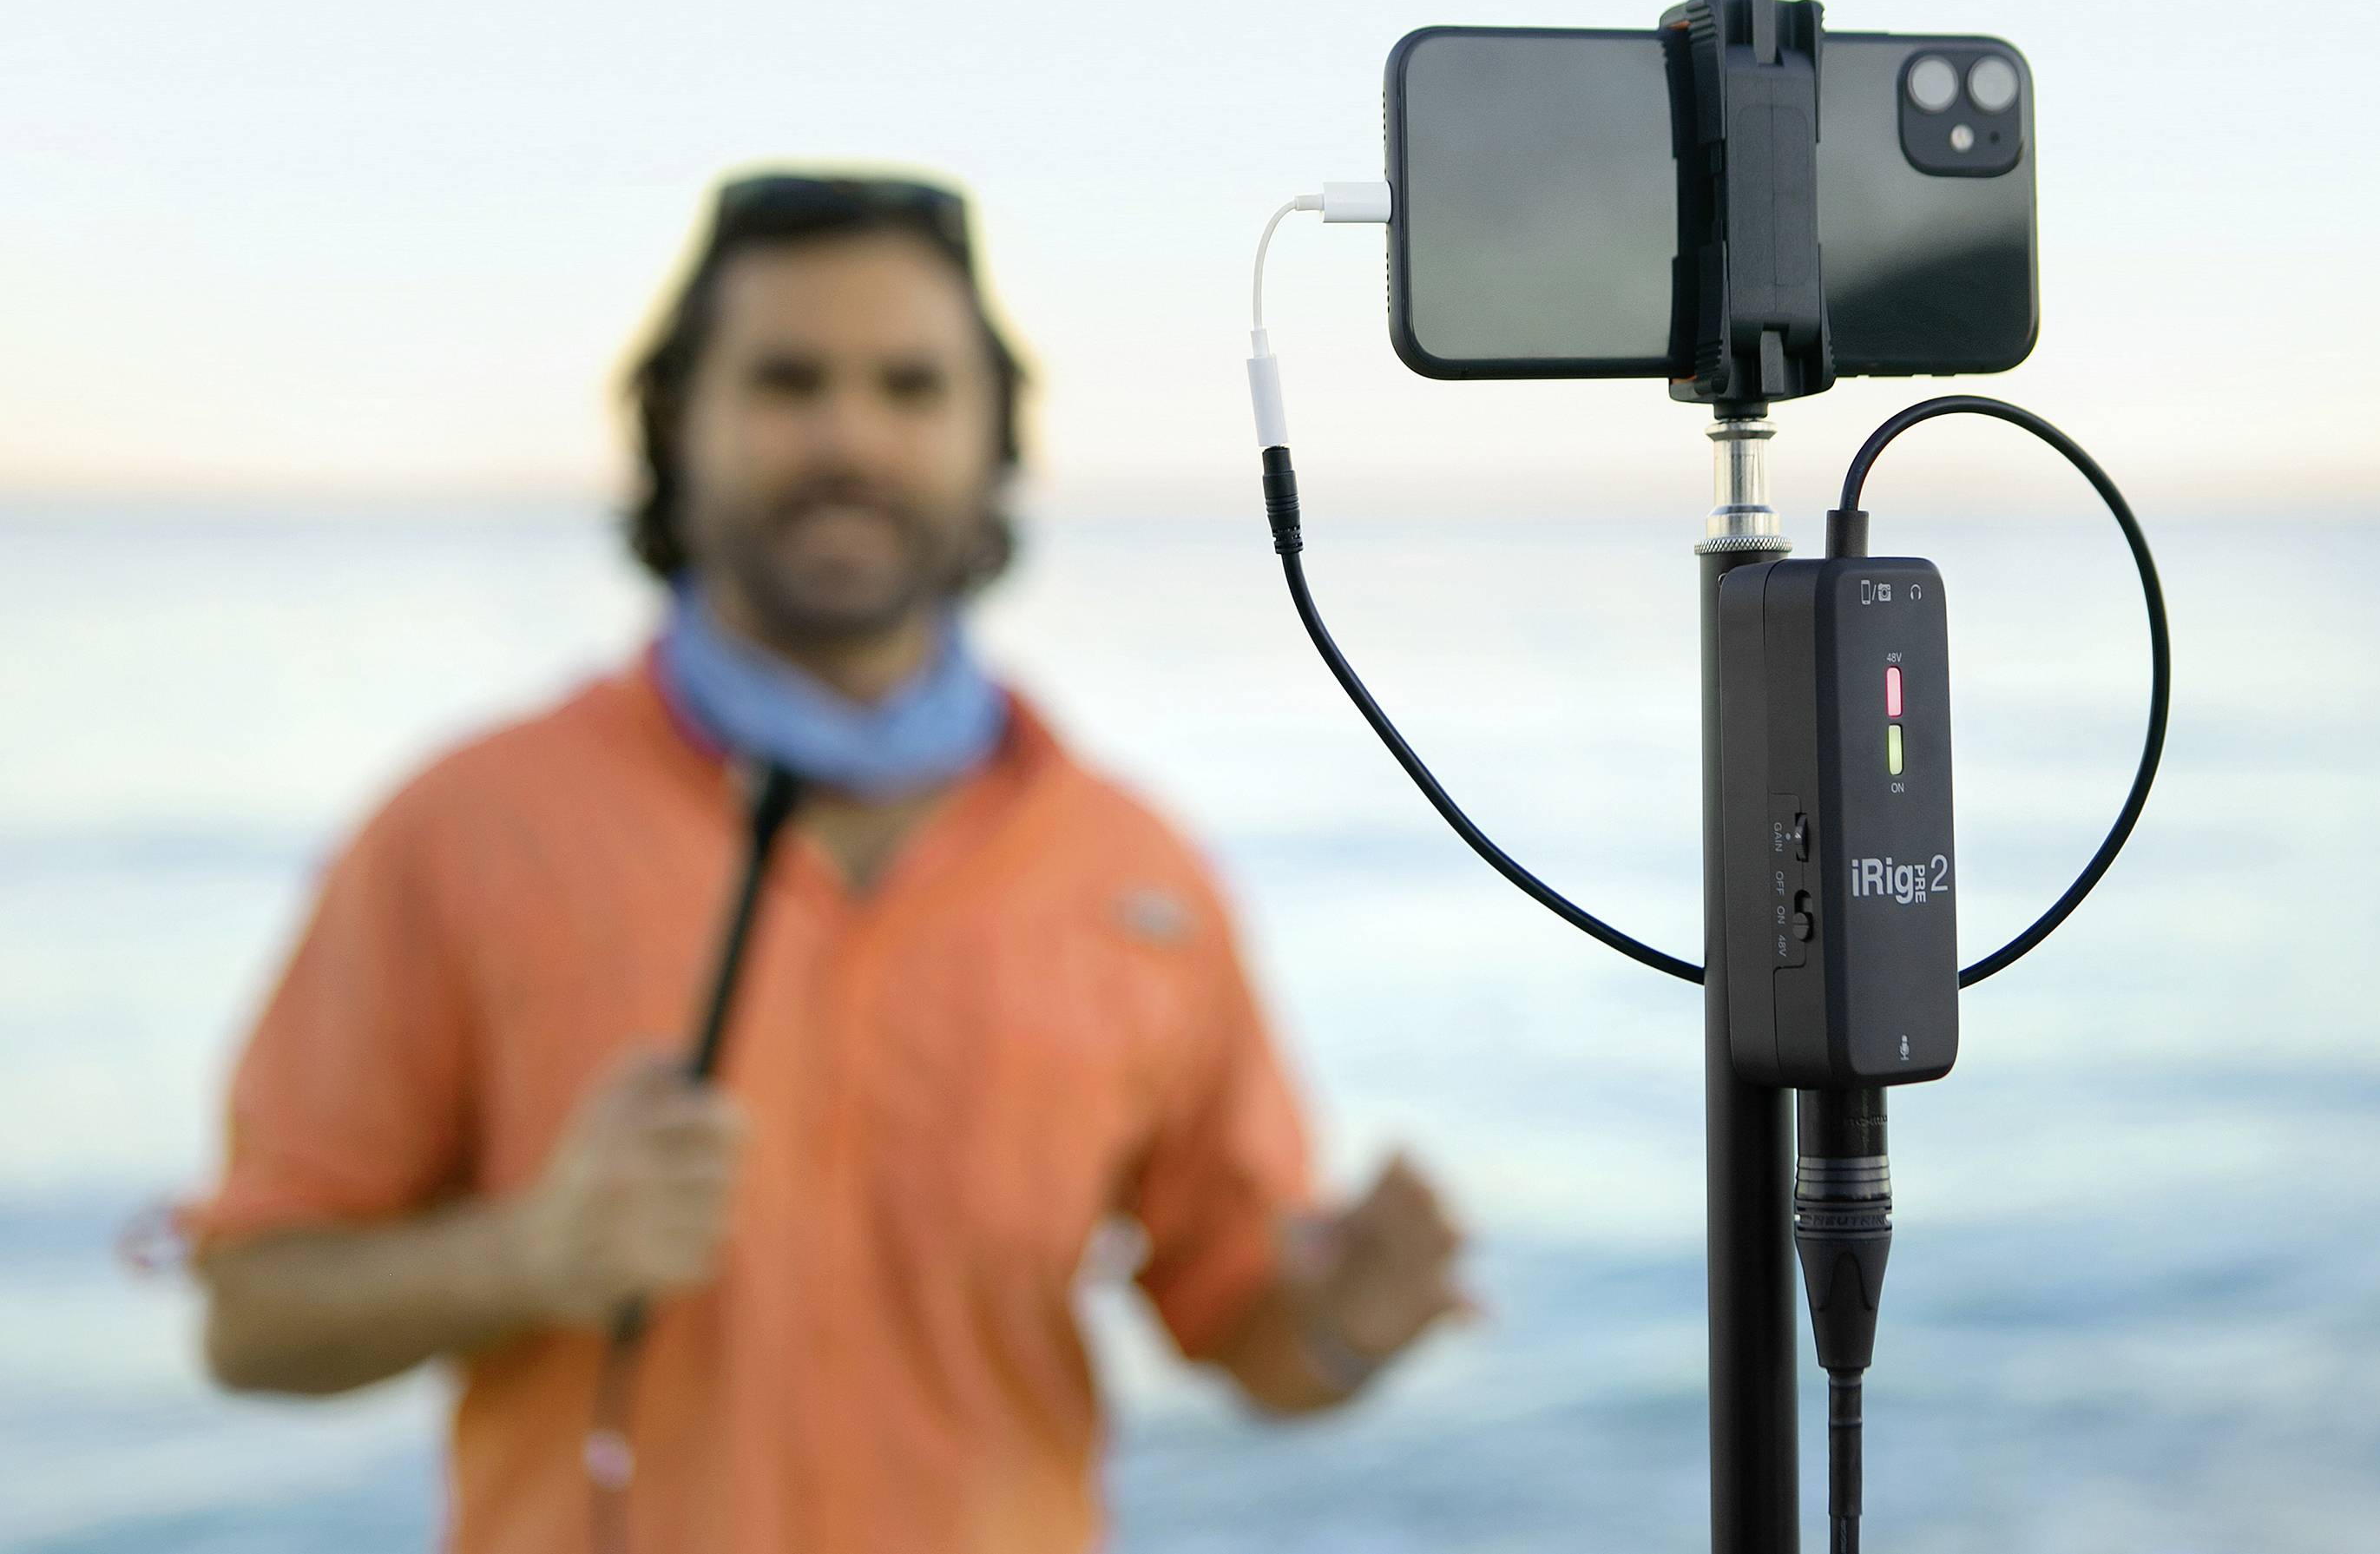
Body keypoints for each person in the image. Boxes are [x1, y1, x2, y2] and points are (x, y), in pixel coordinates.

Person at [185, 172, 1468, 1553]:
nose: (848, 435)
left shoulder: (1135, 876)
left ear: (993, 439)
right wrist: (527, 1255)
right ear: (675, 427)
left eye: (910, 388)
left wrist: (1347, 1326)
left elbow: (1243, 1323)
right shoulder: (464, 824)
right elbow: (248, 1316)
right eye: (786, 381)